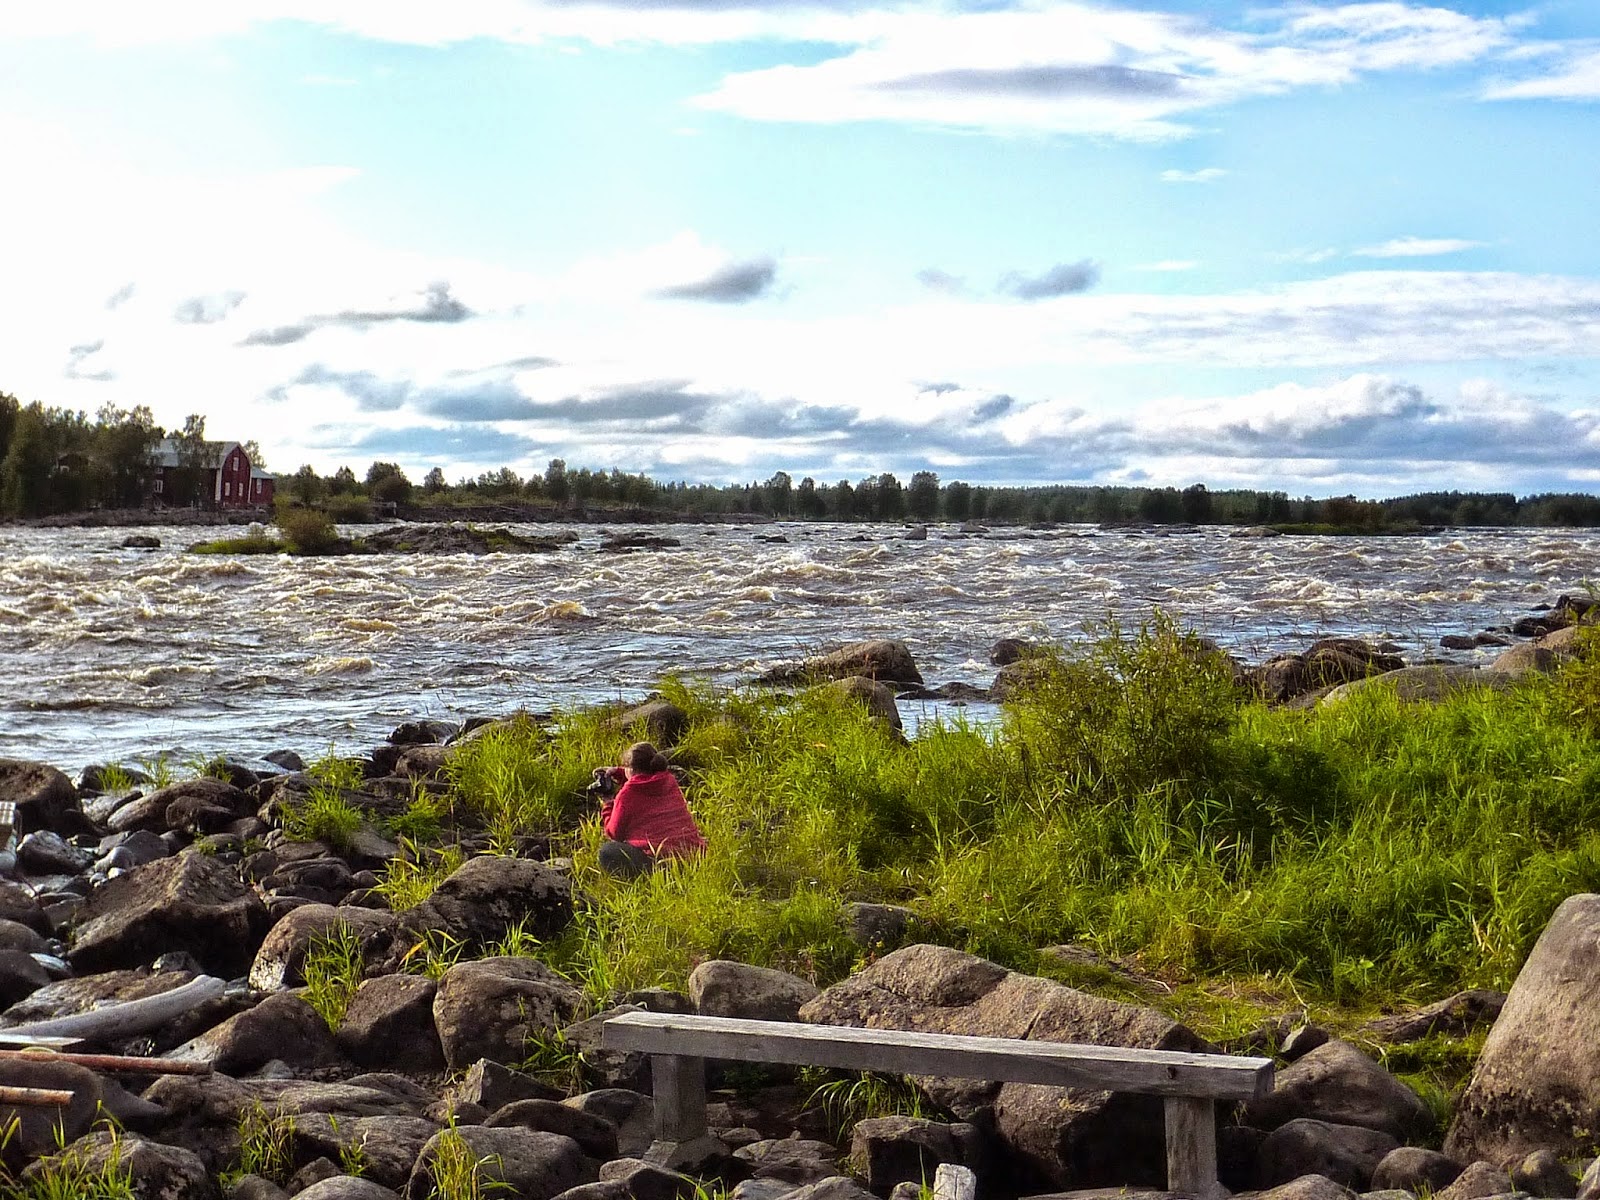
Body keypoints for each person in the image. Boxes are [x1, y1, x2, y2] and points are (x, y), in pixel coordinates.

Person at [596, 741, 705, 878]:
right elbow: (644, 779)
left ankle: (652, 878)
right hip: (692, 856)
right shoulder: (669, 780)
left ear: (631, 768)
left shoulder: (628, 793)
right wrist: (618, 772)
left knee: (607, 851)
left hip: (660, 861)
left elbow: (614, 833)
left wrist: (607, 804)